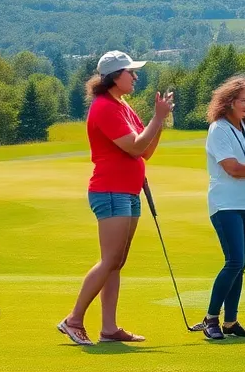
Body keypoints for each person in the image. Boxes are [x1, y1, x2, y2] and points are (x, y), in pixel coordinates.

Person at [58, 51, 174, 346]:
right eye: (130, 72)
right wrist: (157, 117)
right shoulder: (104, 108)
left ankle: (108, 328)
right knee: (110, 258)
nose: (135, 76)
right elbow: (135, 147)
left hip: (127, 190)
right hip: (110, 191)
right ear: (114, 76)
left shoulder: (122, 106)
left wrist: (158, 122)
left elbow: (145, 150)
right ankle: (73, 320)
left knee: (116, 262)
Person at [198, 75, 245, 341]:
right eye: (242, 100)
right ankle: (211, 318)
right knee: (235, 261)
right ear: (228, 101)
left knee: (241, 265)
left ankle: (230, 322)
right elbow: (232, 167)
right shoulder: (218, 129)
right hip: (226, 203)